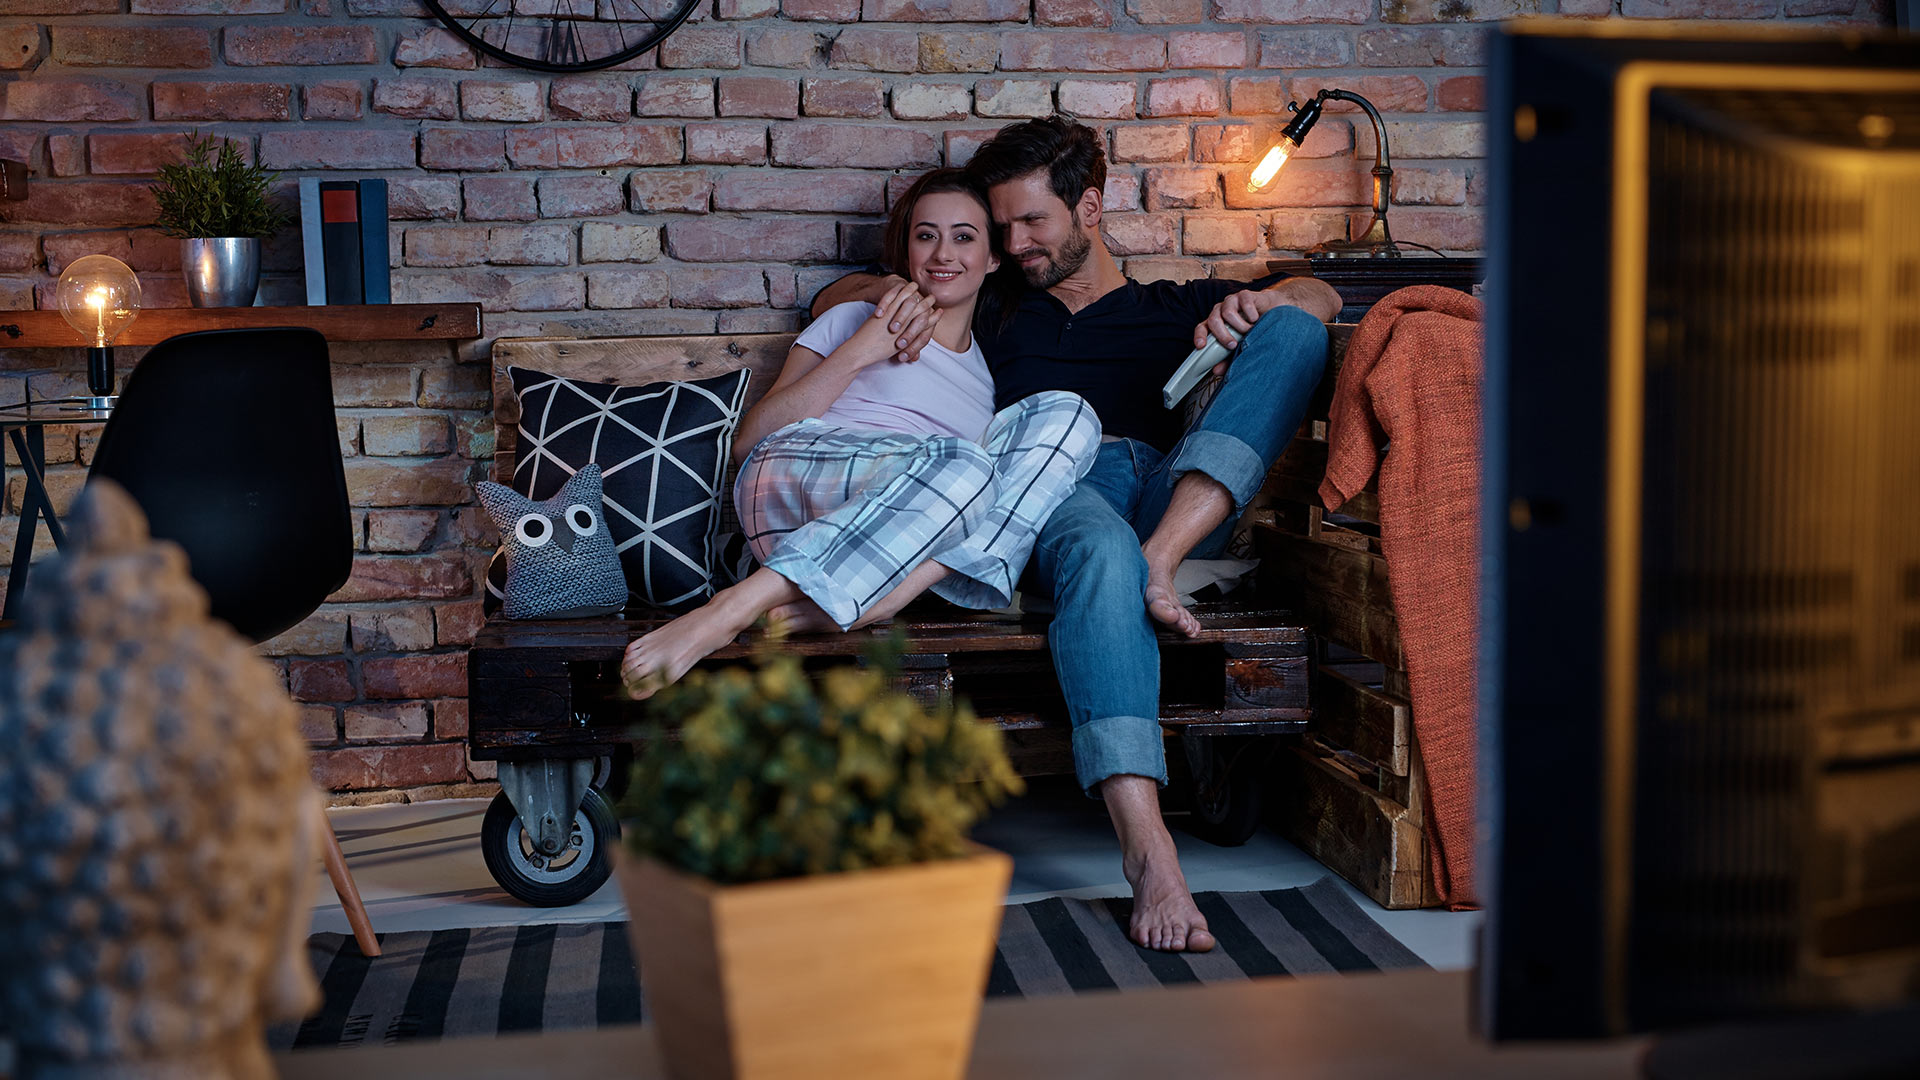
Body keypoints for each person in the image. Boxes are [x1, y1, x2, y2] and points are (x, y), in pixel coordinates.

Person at [812, 118, 1342, 954]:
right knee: (1100, 554)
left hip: (1182, 491)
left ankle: (1160, 562)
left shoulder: (1171, 306)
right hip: (1063, 486)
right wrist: (888, 294)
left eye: (1033, 223)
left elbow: (1322, 299)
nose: (1015, 243)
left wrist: (1269, 301)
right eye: (1003, 227)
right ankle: (1149, 849)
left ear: (1088, 208)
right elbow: (834, 298)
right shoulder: (995, 307)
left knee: (1294, 330)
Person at [622, 169, 1101, 696]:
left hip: (878, 550)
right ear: (908, 251)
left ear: (991, 259)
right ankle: (731, 609)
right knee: (967, 465)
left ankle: (880, 597)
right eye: (927, 235)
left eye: (964, 237)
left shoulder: (987, 385)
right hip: (791, 482)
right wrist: (865, 348)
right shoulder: (852, 316)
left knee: (1069, 415)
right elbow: (748, 444)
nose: (944, 253)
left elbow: (963, 494)